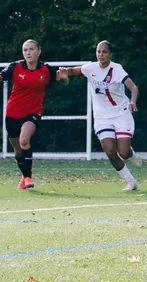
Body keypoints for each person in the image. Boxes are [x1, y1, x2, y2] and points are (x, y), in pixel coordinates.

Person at [57, 41, 142, 191]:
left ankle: (131, 155)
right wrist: (63, 73)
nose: (100, 55)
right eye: (98, 52)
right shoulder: (91, 68)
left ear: (110, 54)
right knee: (110, 151)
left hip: (121, 113)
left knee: (123, 152)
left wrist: (133, 101)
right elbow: (72, 71)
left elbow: (133, 87)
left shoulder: (117, 69)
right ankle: (131, 182)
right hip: (102, 117)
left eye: (104, 52)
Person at [0, 39, 64, 190]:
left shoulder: (46, 69)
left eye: (31, 49)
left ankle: (28, 178)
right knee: (18, 151)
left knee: (24, 141)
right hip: (12, 113)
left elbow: (62, 80)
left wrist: (64, 78)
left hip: (33, 112)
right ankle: (24, 176)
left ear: (39, 51)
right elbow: (0, 76)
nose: (28, 52)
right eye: (25, 50)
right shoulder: (15, 67)